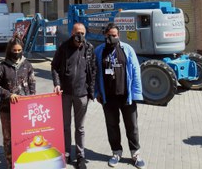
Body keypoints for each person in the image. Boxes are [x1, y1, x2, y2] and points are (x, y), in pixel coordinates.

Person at [94, 23, 146, 168]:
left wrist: (136, 93)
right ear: (105, 35)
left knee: (132, 126)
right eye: (109, 35)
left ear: (119, 36)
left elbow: (135, 71)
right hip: (108, 98)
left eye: (114, 35)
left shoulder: (127, 49)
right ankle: (116, 152)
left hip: (126, 97)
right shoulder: (99, 51)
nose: (111, 38)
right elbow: (94, 73)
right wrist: (97, 92)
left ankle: (135, 154)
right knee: (112, 126)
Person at [51, 23, 96, 169]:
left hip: (82, 94)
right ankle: (66, 153)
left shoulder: (89, 48)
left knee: (80, 128)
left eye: (82, 33)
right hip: (65, 93)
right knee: (65, 126)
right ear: (72, 33)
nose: (80, 35)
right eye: (77, 32)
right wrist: (57, 83)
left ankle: (80, 156)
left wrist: (91, 90)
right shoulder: (64, 48)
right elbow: (54, 66)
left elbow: (93, 70)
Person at [0, 37, 36, 169]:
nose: (17, 52)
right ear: (10, 50)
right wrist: (8, 95)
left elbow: (32, 84)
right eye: (14, 50)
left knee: (25, 137)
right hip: (6, 109)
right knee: (8, 138)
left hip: (24, 110)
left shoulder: (27, 65)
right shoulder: (2, 67)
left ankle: (24, 163)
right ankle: (11, 164)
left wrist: (31, 99)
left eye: (19, 50)